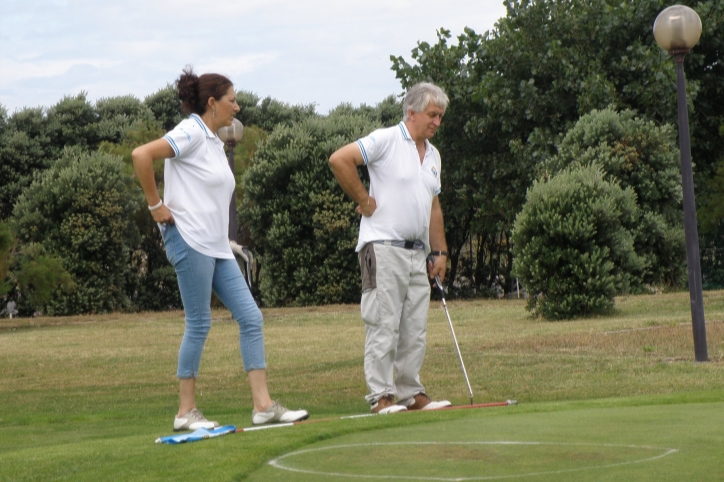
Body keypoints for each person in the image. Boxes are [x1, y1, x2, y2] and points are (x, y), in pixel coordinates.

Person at [132, 67, 308, 431]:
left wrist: (225, 238)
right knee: (199, 323)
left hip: (215, 245)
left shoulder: (213, 141)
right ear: (212, 103)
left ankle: (263, 406)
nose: (237, 107)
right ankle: (185, 412)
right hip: (188, 240)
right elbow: (141, 154)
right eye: (232, 100)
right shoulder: (191, 131)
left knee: (251, 317)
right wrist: (155, 205)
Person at [329, 82, 453, 414]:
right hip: (382, 246)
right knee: (383, 323)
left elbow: (434, 206)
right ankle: (381, 396)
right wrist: (364, 200)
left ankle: (411, 392)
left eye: (440, 116)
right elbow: (340, 159)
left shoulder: (433, 155)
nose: (437, 123)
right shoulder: (385, 139)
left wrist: (439, 251)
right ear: (411, 112)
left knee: (415, 326)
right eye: (432, 115)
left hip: (417, 252)